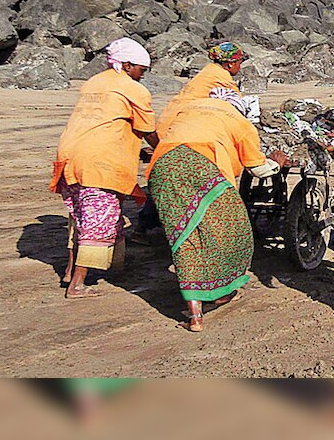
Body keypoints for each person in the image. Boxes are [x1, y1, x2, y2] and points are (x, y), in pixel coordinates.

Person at [147, 88, 283, 332]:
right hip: (202, 167)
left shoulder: (186, 110)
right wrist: (277, 163)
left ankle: (195, 316)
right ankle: (221, 293)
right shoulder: (238, 120)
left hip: (162, 168)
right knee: (233, 230)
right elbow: (257, 168)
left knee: (184, 240)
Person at [51, 38, 158, 299]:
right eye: (141, 70)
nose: (142, 76)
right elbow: (148, 130)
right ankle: (77, 285)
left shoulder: (94, 82)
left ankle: (70, 271)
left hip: (71, 155)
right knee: (99, 220)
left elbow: (106, 122)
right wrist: (162, 149)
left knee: (79, 217)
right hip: (99, 162)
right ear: (129, 65)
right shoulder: (132, 89)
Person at [130, 41, 249, 245]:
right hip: (183, 127)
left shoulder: (208, 74)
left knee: (169, 171)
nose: (240, 66)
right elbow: (234, 111)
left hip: (173, 123)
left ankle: (147, 224)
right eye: (239, 62)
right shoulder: (220, 80)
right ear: (229, 64)